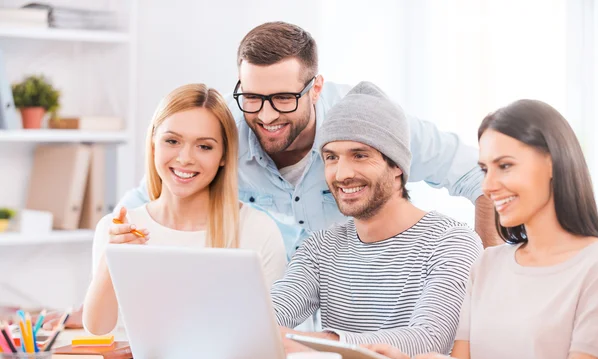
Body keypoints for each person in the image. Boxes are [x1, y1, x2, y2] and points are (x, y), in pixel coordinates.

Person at [45, 21, 498, 330]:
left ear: (316, 87)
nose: (265, 117)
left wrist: (489, 288)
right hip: (291, 330)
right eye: (252, 97)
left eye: (283, 98)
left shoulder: (367, 125)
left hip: (364, 328)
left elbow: (481, 180)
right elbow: (154, 198)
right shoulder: (222, 130)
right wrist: (94, 299)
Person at [362, 100, 598, 359]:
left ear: (552, 162)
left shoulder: (593, 266)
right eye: (485, 169)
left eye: (505, 166)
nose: (488, 186)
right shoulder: (488, 264)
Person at [271, 81, 482, 355]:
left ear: (396, 165)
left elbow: (429, 340)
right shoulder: (320, 248)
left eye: (360, 155)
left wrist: (318, 342)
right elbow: (268, 319)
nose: (341, 173)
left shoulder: (452, 243)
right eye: (331, 157)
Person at [82, 84, 286, 335]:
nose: (185, 158)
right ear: (154, 144)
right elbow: (98, 329)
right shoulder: (118, 230)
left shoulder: (257, 231)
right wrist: (110, 259)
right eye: (172, 141)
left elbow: (273, 337)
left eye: (204, 146)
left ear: (223, 156)